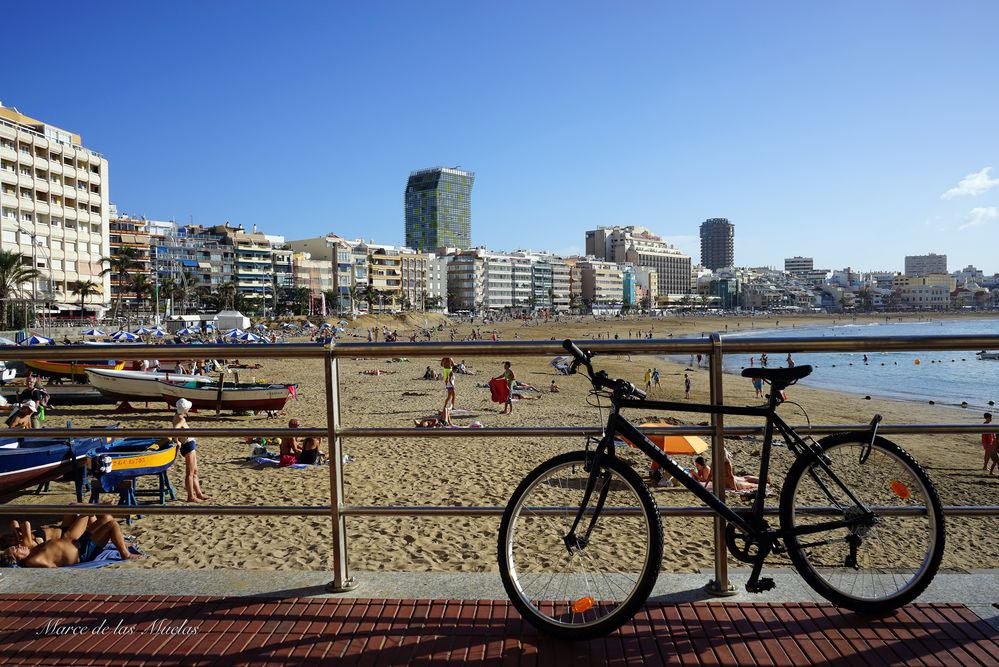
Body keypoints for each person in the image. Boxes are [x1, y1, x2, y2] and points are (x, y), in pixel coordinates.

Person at [1, 514, 139, 568]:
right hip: (82, 552)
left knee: (107, 517)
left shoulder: (30, 550)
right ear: (16, 559)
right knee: (112, 524)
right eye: (15, 549)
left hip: (77, 541)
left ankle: (120, 543)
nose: (18, 546)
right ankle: (125, 554)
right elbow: (52, 570)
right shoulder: (33, 561)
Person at [172, 398, 210, 502]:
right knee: (190, 473)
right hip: (188, 445)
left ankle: (199, 493)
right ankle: (190, 496)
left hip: (188, 445)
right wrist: (177, 441)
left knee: (194, 471)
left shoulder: (176, 416)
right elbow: (175, 429)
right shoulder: (181, 419)